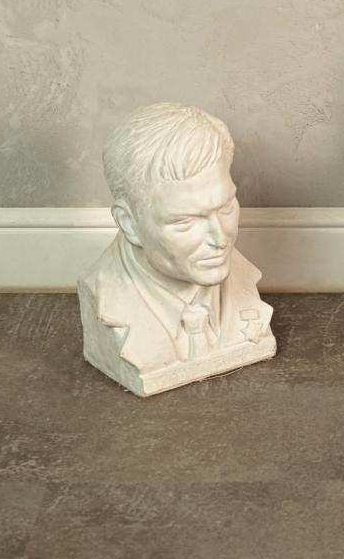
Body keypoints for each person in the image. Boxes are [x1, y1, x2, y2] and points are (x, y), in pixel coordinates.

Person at [77, 103, 276, 396]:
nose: (220, 238)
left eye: (225, 207)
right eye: (185, 222)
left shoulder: (240, 277)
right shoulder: (106, 296)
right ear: (130, 224)